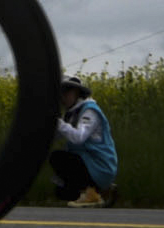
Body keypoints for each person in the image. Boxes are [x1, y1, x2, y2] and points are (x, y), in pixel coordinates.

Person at [50, 77, 118, 206]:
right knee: (63, 194)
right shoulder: (71, 114)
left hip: (100, 164)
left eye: (66, 92)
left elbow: (78, 137)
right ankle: (101, 190)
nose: (62, 97)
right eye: (60, 93)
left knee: (58, 157)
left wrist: (58, 123)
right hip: (89, 162)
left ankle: (92, 192)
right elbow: (57, 136)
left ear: (77, 93)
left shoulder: (90, 111)